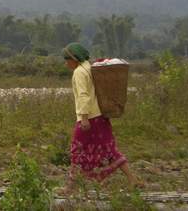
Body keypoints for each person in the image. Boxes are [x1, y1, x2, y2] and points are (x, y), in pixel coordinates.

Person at [60, 42, 140, 192]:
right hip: (101, 117)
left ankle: (70, 187)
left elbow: (84, 95)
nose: (66, 63)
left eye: (67, 59)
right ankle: (132, 179)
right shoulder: (89, 67)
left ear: (74, 59)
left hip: (89, 118)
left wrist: (84, 118)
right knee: (110, 150)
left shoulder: (79, 72)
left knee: (77, 151)